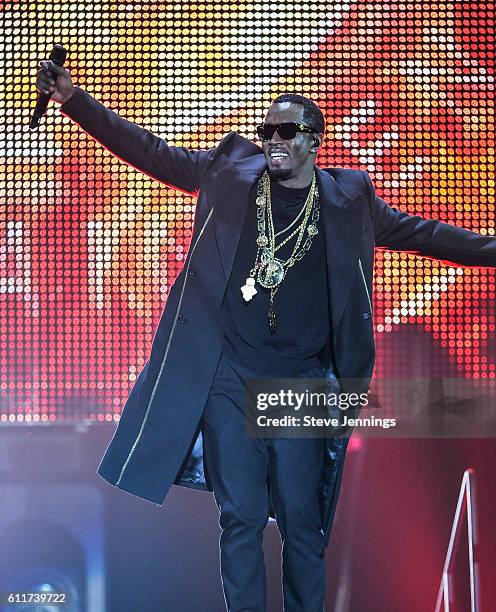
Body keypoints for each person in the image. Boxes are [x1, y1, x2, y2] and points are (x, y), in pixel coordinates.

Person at [36, 60, 496, 611]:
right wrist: (75, 101)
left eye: (287, 132)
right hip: (230, 375)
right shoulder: (229, 174)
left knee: (303, 524)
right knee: (241, 517)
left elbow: (428, 234)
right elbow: (150, 152)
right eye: (266, 131)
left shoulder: (349, 199)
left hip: (302, 380)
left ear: (314, 140)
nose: (273, 140)